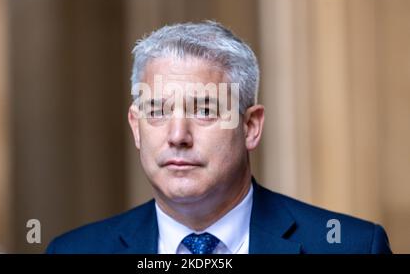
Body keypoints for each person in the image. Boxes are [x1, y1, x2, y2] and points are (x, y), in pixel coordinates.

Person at [46, 21, 392, 254]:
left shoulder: (352, 246)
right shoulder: (74, 250)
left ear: (251, 126)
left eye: (205, 110)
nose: (178, 135)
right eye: (158, 111)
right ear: (136, 127)